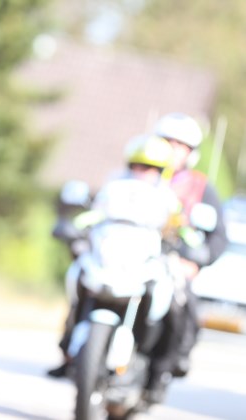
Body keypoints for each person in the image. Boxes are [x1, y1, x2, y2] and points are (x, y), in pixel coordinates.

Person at [47, 134, 179, 379]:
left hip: (142, 266)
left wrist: (187, 241)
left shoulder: (168, 200)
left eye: (150, 168)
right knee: (78, 281)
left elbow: (179, 228)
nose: (143, 172)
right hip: (106, 263)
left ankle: (156, 370)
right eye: (138, 165)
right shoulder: (113, 188)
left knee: (173, 303)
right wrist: (74, 225)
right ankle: (68, 353)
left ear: (161, 171)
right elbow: (94, 215)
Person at [145, 112, 228, 402]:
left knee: (183, 309)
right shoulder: (141, 172)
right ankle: (73, 353)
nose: (173, 149)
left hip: (173, 262)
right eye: (168, 141)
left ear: (190, 152)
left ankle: (159, 373)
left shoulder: (200, 186)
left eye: (180, 144)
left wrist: (196, 261)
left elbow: (219, 236)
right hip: (134, 256)